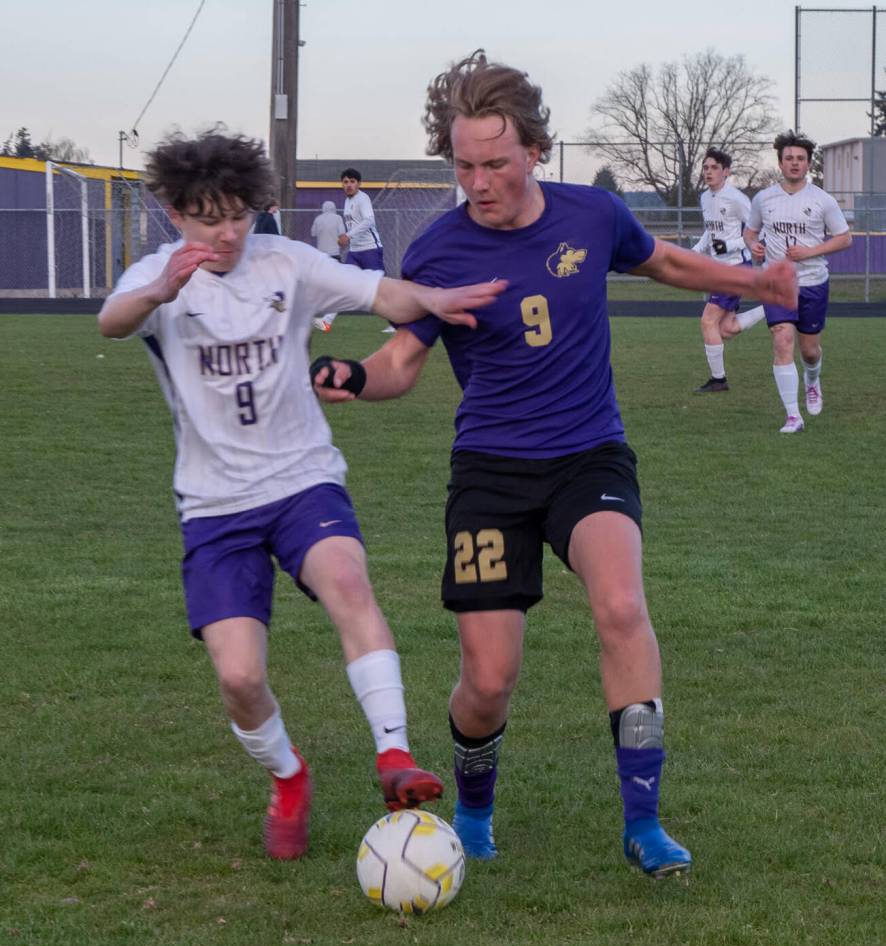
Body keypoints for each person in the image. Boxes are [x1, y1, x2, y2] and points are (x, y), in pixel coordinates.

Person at [311, 52, 797, 878]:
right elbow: (401, 361)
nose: (479, 183)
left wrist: (754, 281)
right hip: (490, 475)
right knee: (488, 679)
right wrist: (356, 377)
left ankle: (643, 822)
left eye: (496, 164)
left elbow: (666, 262)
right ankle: (474, 812)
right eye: (464, 166)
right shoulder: (438, 250)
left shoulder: (592, 215)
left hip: (588, 455)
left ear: (534, 151)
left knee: (621, 605)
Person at [96, 130, 506, 861]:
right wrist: (159, 292)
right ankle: (288, 776)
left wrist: (434, 298)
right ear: (176, 212)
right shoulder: (155, 278)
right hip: (214, 505)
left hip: (301, 478)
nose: (227, 233)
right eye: (208, 218)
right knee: (239, 676)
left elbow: (381, 293)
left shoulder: (286, 260)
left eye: (238, 215)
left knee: (347, 579)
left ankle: (394, 755)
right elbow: (111, 320)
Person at [744, 131, 851, 433]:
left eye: (800, 159)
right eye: (789, 158)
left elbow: (844, 238)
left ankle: (812, 380)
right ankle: (793, 416)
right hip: (777, 282)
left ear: (808, 164)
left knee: (809, 351)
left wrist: (809, 252)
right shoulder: (764, 199)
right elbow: (750, 232)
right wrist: (753, 246)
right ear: (780, 163)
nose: (794, 163)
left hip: (813, 282)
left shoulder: (822, 200)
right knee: (782, 340)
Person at [691, 148, 766, 394]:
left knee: (707, 321)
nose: (709, 172)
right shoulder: (705, 198)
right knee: (726, 328)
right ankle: (772, 307)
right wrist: (696, 250)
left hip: (734, 268)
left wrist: (730, 245)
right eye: (706, 167)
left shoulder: (736, 198)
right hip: (719, 269)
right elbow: (711, 231)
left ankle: (718, 380)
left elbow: (758, 231)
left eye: (714, 167)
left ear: (726, 171)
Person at [311, 199, 347, 333]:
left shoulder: (318, 219)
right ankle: (327, 318)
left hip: (321, 257)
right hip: (334, 255)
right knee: (337, 287)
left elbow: (313, 233)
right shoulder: (338, 218)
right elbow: (342, 235)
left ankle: (314, 312)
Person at [339, 167, 384, 271]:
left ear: (359, 184)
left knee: (377, 280)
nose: (349, 185)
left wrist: (348, 235)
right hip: (354, 250)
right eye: (345, 182)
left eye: (352, 181)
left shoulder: (363, 198)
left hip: (369, 249)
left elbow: (369, 220)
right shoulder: (347, 201)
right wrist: (345, 238)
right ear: (342, 184)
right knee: (348, 278)